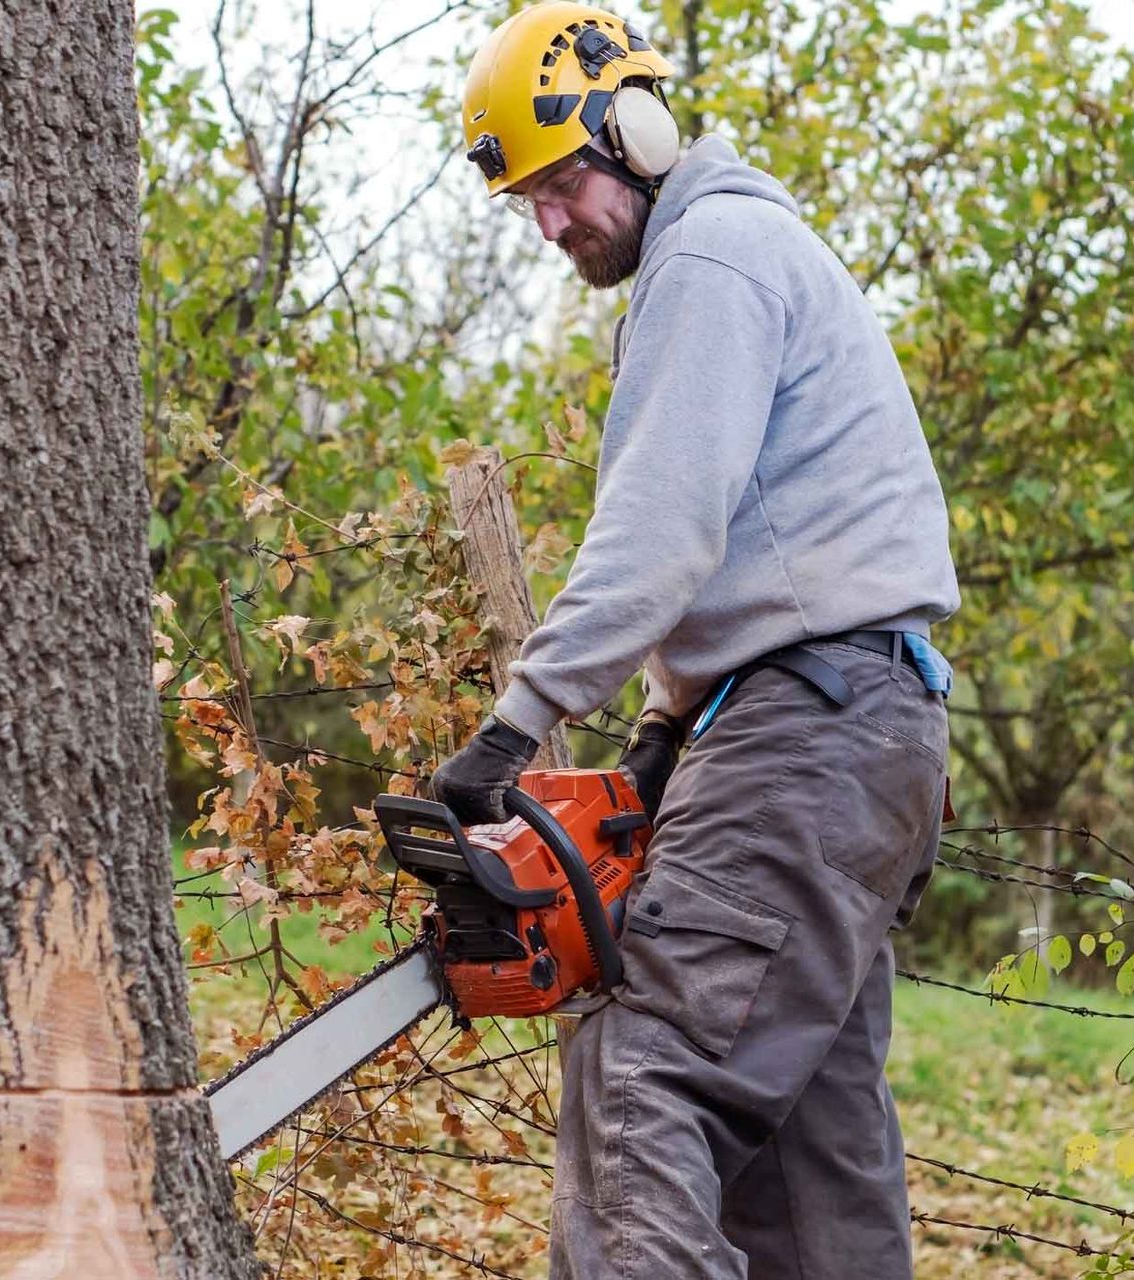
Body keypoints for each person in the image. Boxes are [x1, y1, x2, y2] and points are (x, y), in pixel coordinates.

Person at [430, 5, 961, 1278]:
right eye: (527, 202)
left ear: (641, 131)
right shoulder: (749, 252)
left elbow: (661, 530)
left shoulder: (711, 259)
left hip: (807, 733)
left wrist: (513, 726)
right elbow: (761, 548)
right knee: (810, 1153)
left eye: (561, 183)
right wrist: (667, 736)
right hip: (866, 729)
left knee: (642, 1073)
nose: (551, 224)